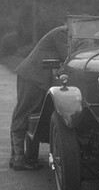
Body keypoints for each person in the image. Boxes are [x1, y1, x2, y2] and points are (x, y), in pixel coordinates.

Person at [9, 25, 68, 170]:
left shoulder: (70, 35)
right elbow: (69, 56)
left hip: (42, 78)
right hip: (33, 76)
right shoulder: (62, 33)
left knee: (36, 114)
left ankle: (28, 157)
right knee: (24, 112)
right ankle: (17, 158)